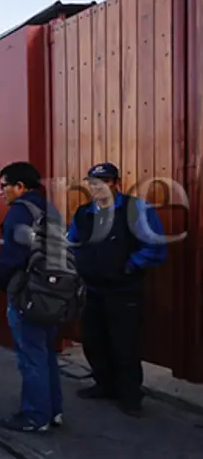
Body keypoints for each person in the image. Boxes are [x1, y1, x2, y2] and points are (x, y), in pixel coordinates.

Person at [67, 162, 167, 417]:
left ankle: (130, 396)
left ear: (116, 183)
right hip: (91, 288)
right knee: (93, 340)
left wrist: (129, 267)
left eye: (105, 181)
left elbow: (155, 248)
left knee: (125, 345)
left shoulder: (136, 210)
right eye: (93, 182)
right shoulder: (83, 213)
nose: (98, 187)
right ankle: (105, 385)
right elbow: (71, 242)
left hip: (124, 290)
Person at [0, 161, 64, 432]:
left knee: (31, 356)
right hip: (52, 292)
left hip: (27, 293)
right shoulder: (51, 209)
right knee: (45, 353)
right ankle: (53, 410)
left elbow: (12, 256)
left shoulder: (19, 213)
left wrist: (1, 282)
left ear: (20, 187)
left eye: (4, 186)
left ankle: (35, 416)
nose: (1, 192)